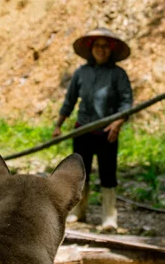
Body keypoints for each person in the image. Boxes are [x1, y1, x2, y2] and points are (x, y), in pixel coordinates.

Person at [53, 28, 134, 230]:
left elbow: (126, 103)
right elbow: (70, 100)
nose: (101, 50)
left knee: (108, 174)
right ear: (91, 49)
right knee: (80, 173)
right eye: (98, 45)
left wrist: (117, 124)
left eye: (105, 46)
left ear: (111, 50)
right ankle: (78, 211)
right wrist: (59, 125)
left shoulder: (118, 74)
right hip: (82, 130)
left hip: (107, 131)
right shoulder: (81, 73)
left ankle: (109, 217)